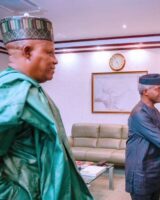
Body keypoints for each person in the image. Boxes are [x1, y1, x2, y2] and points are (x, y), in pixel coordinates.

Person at [0, 16, 93, 199]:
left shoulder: (30, 88)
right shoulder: (10, 91)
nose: (56, 60)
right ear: (27, 52)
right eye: (50, 52)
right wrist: (16, 196)